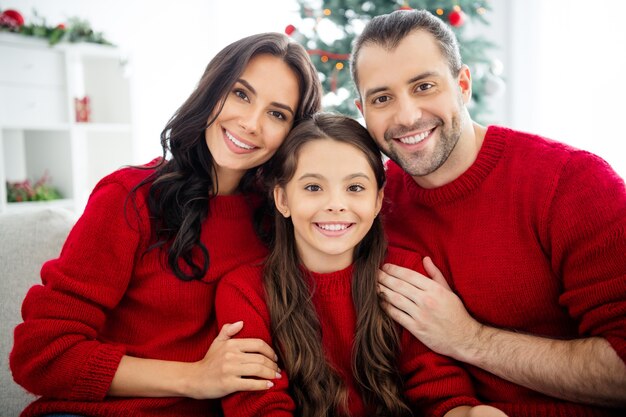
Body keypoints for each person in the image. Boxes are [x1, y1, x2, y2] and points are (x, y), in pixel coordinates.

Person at [10, 32, 322, 417]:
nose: (251, 123)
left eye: (277, 114)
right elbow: (41, 354)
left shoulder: (281, 217)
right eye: (241, 94)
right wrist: (194, 378)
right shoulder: (129, 197)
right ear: (212, 90)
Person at [349, 8, 626, 416]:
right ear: (362, 109)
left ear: (462, 85)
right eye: (382, 98)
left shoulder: (571, 182)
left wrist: (470, 338)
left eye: (424, 86)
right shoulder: (370, 207)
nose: (406, 116)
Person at [215, 112, 508, 417]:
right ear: (282, 200)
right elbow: (260, 406)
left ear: (378, 199)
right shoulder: (245, 291)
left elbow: (441, 394)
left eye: (355, 188)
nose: (336, 204)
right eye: (313, 188)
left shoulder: (404, 273)